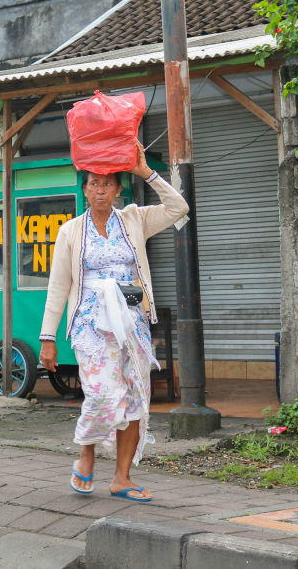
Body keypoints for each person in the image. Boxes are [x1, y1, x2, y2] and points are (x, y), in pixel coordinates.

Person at [39, 141, 188, 502]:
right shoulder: (70, 231)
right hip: (90, 326)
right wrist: (48, 336)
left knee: (137, 399)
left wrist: (146, 172)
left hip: (131, 325)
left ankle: (122, 478)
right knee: (104, 394)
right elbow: (59, 286)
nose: (100, 189)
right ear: (85, 189)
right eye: (93, 183)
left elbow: (178, 207)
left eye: (107, 183)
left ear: (118, 189)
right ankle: (87, 451)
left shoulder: (134, 219)